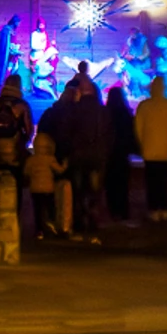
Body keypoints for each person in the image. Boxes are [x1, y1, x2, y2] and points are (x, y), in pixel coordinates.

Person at [54, 78, 108, 240]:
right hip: (96, 157)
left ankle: (78, 222)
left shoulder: (73, 110)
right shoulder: (102, 111)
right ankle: (92, 222)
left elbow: (65, 133)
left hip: (77, 156)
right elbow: (109, 135)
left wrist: (66, 153)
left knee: (77, 191)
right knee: (93, 191)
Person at [133, 76, 167, 222]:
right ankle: (164, 208)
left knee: (151, 182)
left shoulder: (144, 106)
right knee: (164, 182)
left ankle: (153, 209)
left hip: (149, 151)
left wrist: (143, 144)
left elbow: (138, 128)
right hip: (165, 151)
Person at [0, 73, 32, 172]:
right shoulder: (22, 105)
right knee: (14, 171)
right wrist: (25, 141)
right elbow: (29, 128)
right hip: (15, 143)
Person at [103, 85, 137, 224]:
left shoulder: (106, 113)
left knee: (110, 184)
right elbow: (131, 134)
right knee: (122, 184)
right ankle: (123, 211)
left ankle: (113, 211)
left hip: (109, 153)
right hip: (122, 153)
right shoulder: (126, 114)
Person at [25, 126, 65, 238]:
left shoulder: (31, 160)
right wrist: (65, 165)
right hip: (49, 188)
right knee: (50, 208)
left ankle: (39, 230)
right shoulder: (50, 159)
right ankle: (51, 227)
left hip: (35, 189)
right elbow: (59, 170)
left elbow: (26, 172)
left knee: (37, 210)